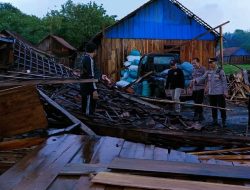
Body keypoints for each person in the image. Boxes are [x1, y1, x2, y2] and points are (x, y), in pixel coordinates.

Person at [194, 58, 228, 127]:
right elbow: (202, 77)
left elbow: (224, 82)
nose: (210, 64)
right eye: (209, 63)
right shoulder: (208, 71)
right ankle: (214, 121)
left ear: (215, 63)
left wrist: (225, 92)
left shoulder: (220, 71)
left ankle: (224, 121)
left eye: (211, 63)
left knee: (222, 108)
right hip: (211, 93)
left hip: (219, 93)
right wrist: (195, 80)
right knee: (213, 107)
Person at [78, 42, 110, 116]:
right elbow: (91, 77)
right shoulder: (89, 60)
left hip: (84, 85)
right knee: (89, 107)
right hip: (89, 87)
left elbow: (92, 72)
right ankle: (87, 121)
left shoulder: (84, 58)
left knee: (85, 103)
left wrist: (101, 76)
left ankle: (85, 118)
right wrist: (94, 90)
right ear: (95, 50)